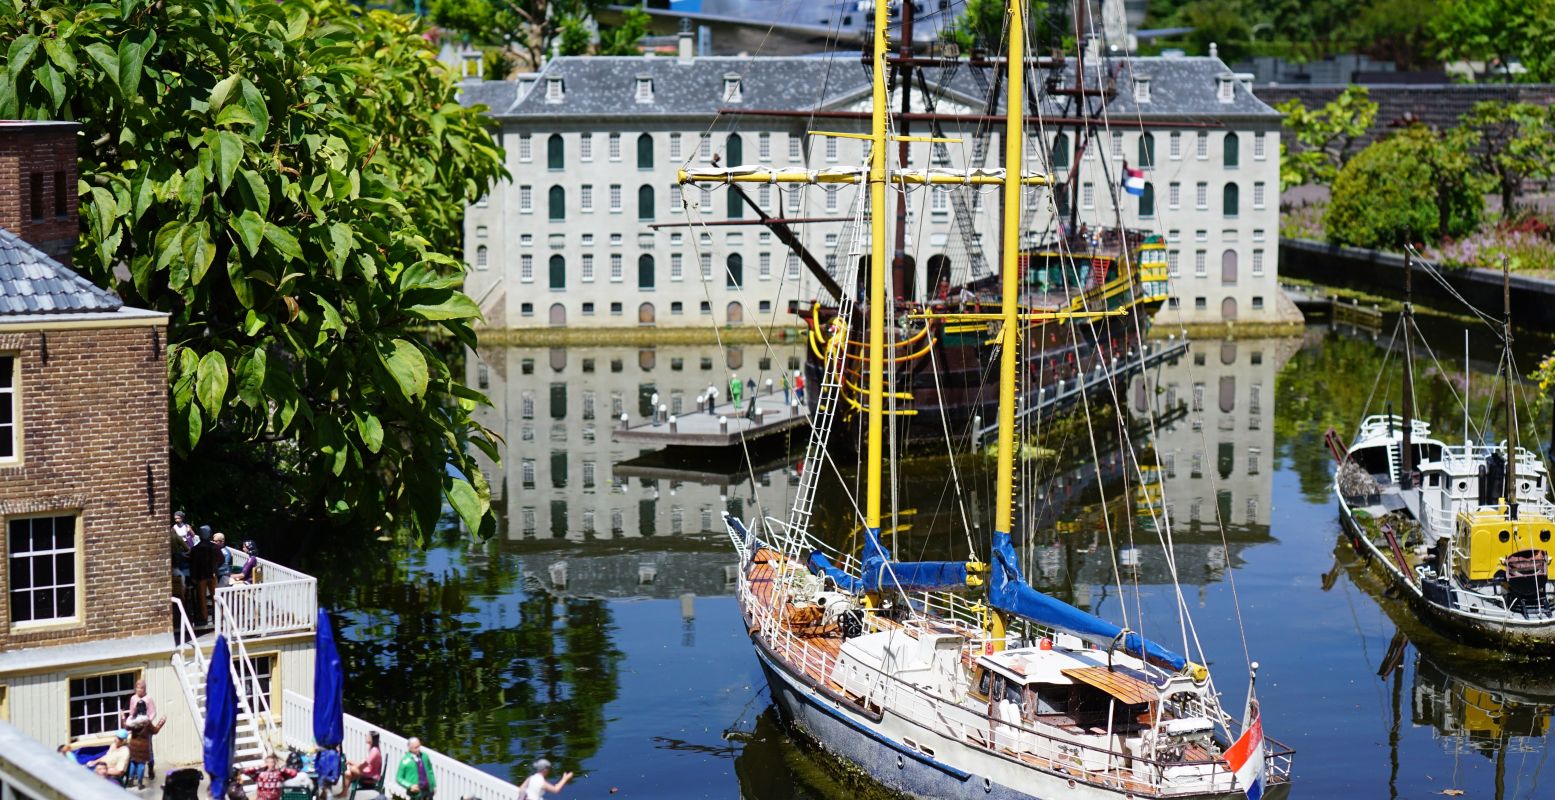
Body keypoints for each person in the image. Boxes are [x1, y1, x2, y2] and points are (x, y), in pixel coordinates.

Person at [335, 730, 383, 796]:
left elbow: (362, 766)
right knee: (348, 773)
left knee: (352, 769)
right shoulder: (373, 749)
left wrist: (353, 765)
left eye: (368, 736)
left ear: (372, 739)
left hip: (372, 778)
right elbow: (364, 765)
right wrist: (353, 763)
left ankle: (344, 792)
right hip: (369, 774)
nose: (366, 737)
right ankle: (344, 793)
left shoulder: (374, 751)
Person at [124, 714, 166, 789]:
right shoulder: (147, 722)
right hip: (143, 747)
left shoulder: (133, 722)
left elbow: (126, 727)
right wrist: (161, 722)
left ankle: (130, 781)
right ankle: (140, 783)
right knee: (141, 764)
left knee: (133, 762)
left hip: (133, 746)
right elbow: (155, 731)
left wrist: (123, 717)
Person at [190, 525, 219, 623]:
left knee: (202, 598)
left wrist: (193, 576)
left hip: (200, 576)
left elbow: (193, 564)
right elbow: (221, 559)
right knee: (215, 596)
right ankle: (218, 615)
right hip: (212, 574)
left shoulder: (195, 549)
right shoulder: (214, 547)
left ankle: (204, 617)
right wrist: (215, 567)